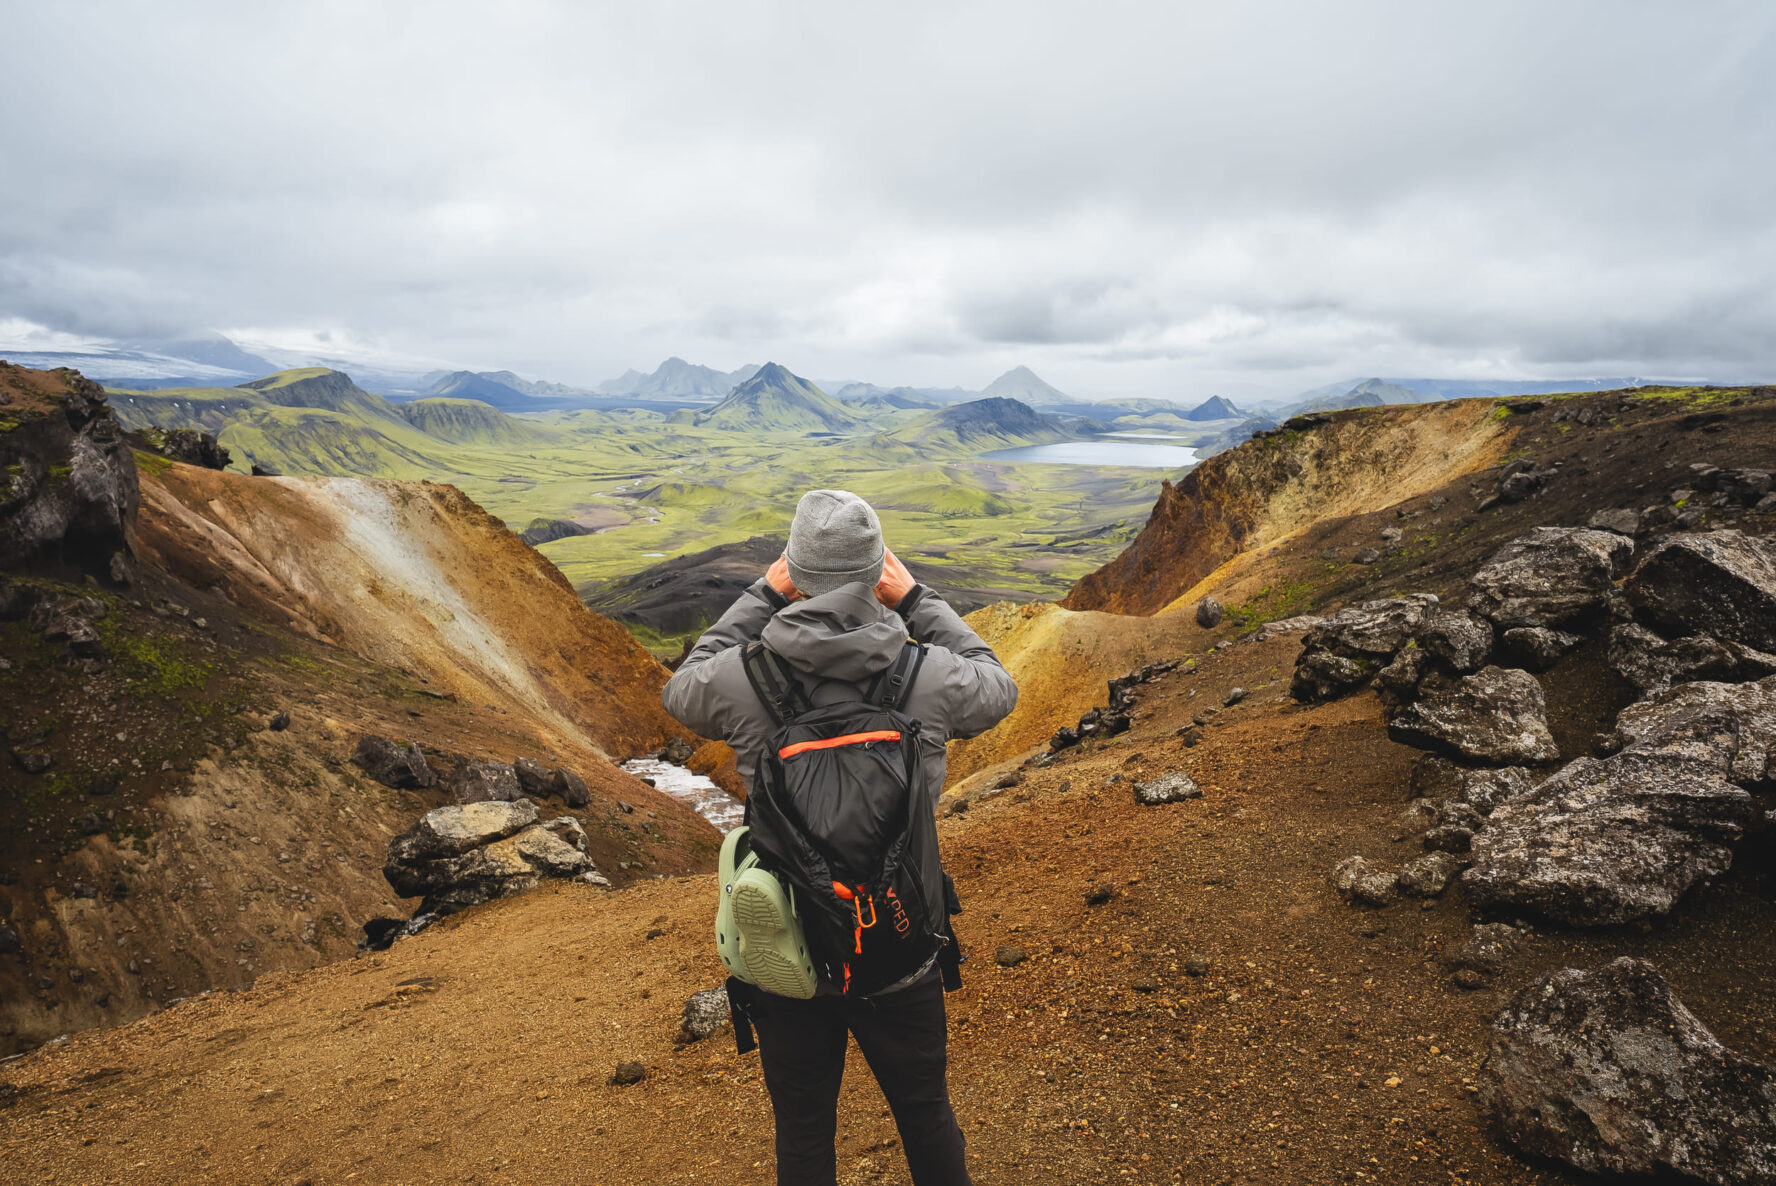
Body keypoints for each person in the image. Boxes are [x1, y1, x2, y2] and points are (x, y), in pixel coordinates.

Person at [662, 488, 1018, 1186]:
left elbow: (683, 689)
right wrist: (914, 600)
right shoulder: (929, 676)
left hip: (789, 948)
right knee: (925, 1114)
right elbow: (999, 685)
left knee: (803, 1131)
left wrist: (765, 592)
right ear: (877, 570)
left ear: (796, 571)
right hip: (901, 937)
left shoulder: (744, 678)